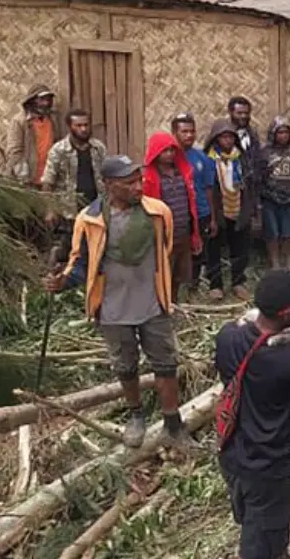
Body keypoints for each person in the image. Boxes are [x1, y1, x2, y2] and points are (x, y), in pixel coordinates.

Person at [45, 155, 192, 449]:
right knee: (125, 366)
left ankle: (173, 424)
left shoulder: (158, 213)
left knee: (165, 363)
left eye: (139, 180)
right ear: (110, 185)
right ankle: (136, 415)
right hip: (112, 306)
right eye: (129, 183)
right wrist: (61, 281)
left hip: (153, 301)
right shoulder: (90, 220)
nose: (138, 187)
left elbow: (166, 249)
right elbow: (81, 263)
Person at [215, 270, 290, 559]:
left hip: (233, 454)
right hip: (267, 465)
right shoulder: (288, 361)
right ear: (288, 312)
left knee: (253, 520)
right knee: (261, 539)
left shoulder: (227, 338)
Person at [142, 131, 202, 300]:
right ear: (156, 152)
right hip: (162, 234)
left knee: (178, 273)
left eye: (172, 150)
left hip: (182, 230)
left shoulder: (182, 172)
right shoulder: (149, 177)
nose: (169, 154)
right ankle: (162, 304)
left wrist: (194, 233)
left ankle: (173, 301)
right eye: (164, 151)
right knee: (163, 271)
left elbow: (191, 202)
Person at [205, 119, 255, 301]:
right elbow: (207, 187)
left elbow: (249, 183)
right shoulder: (209, 160)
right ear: (215, 139)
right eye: (223, 137)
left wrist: (250, 208)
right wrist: (212, 215)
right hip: (218, 209)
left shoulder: (240, 158)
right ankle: (215, 284)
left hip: (239, 207)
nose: (227, 141)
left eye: (230, 137)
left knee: (240, 247)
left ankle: (238, 282)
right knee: (214, 248)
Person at [171, 114, 216, 295]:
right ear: (174, 132)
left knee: (198, 251)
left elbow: (208, 188)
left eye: (192, 131)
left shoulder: (201, 158)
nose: (189, 135)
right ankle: (174, 288)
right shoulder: (168, 157)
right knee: (176, 251)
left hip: (201, 212)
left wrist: (212, 217)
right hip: (177, 214)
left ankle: (193, 286)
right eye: (184, 131)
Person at [41, 109, 107, 209]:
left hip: (96, 206)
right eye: (79, 126)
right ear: (70, 127)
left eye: (86, 125)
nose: (83, 129)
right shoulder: (59, 150)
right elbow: (48, 182)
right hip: (68, 209)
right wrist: (49, 210)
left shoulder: (98, 148)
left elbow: (107, 177)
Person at [260, 117, 290, 270]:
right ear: (273, 133)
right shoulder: (265, 153)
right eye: (280, 132)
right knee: (272, 233)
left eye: (286, 132)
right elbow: (261, 174)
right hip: (270, 197)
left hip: (289, 198)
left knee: (289, 232)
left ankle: (289, 263)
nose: (283, 136)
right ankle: (275, 263)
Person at [6, 84, 61, 187]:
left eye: (48, 99)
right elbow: (15, 152)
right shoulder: (19, 121)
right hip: (27, 180)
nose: (46, 103)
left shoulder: (52, 120)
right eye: (42, 99)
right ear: (32, 101)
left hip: (48, 180)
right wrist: (24, 179)